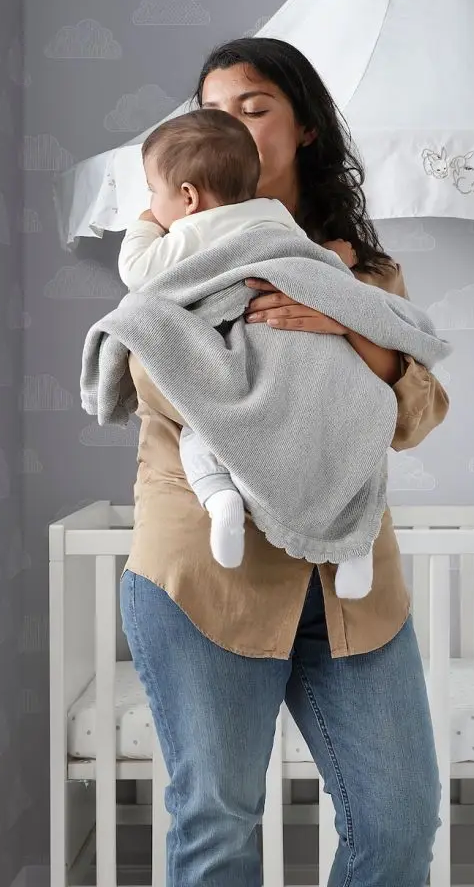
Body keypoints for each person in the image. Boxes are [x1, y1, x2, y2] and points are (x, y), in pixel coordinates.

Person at [117, 36, 450, 886]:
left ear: (305, 127)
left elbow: (417, 411)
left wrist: (347, 322)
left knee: (399, 821)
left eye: (254, 107)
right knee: (218, 824)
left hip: (349, 580)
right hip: (209, 572)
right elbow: (154, 380)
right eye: (214, 112)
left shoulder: (364, 272)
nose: (232, 125)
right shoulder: (176, 247)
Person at [114, 107, 376, 599]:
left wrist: (145, 224)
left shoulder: (192, 232)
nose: (151, 204)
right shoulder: (275, 218)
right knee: (347, 434)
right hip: (309, 358)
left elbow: (139, 273)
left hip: (250, 353)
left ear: (188, 197)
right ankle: (356, 549)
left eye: (153, 191)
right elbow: (313, 270)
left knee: (207, 426)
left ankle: (221, 498)